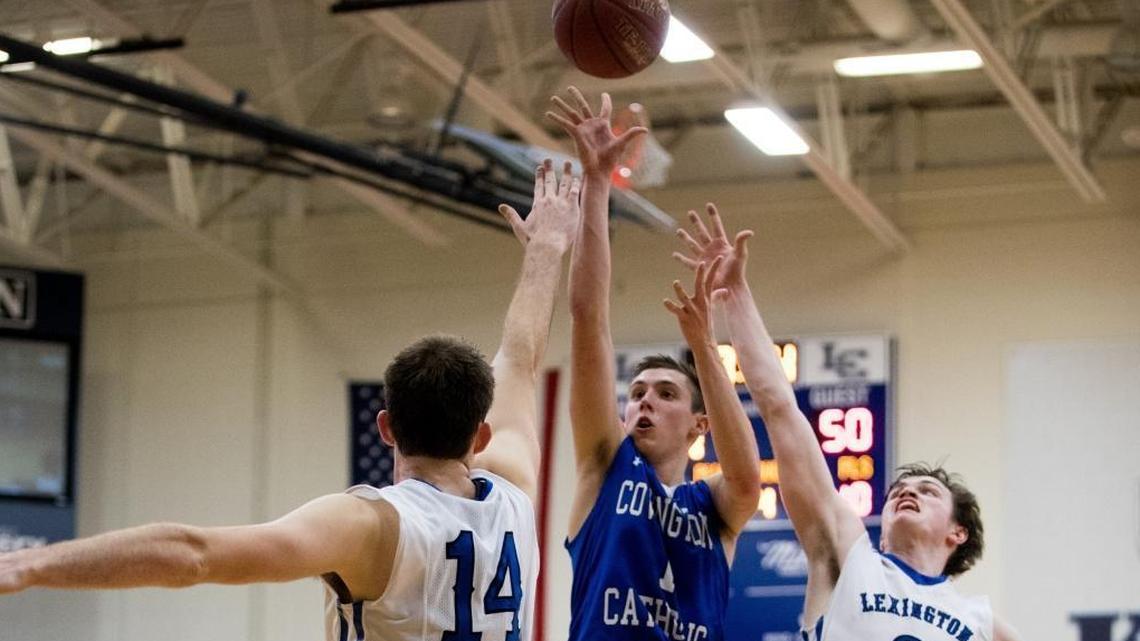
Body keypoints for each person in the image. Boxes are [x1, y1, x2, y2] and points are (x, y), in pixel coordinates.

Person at [0, 159, 583, 641]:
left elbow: (194, 554)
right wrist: (547, 250)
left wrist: (28, 565)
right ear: (479, 436)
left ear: (385, 427)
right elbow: (522, 355)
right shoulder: (513, 492)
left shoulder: (371, 526)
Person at [671, 203, 1024, 641]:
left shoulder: (980, 621)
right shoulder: (847, 553)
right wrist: (737, 296)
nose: (907, 493)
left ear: (958, 532)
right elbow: (780, 408)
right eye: (899, 491)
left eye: (927, 492)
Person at [546, 86, 761, 641]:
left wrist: (704, 345)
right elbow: (587, 316)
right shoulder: (604, 470)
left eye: (667, 393)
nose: (645, 399)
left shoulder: (712, 508)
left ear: (699, 426)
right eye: (638, 391)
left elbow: (745, 478)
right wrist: (596, 184)